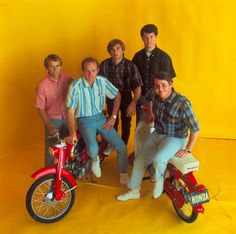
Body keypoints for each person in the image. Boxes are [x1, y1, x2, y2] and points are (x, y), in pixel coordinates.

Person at [117, 71, 200, 201]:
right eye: (157, 86)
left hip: (175, 137)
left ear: (171, 84)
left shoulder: (182, 103)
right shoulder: (154, 93)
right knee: (139, 160)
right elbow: (149, 98)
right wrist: (150, 111)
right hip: (158, 133)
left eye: (164, 85)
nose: (160, 89)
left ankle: (159, 181)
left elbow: (195, 129)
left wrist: (187, 149)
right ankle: (134, 191)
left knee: (159, 159)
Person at [66, 57, 129, 185]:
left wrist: (113, 117)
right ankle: (95, 160)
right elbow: (70, 111)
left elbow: (117, 95)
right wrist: (72, 132)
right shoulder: (75, 86)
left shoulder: (102, 81)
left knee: (121, 146)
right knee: (93, 148)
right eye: (87, 70)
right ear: (82, 70)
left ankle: (124, 173)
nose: (90, 74)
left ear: (98, 70)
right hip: (85, 121)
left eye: (93, 70)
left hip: (101, 118)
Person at [99, 39, 143, 155]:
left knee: (126, 122)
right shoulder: (104, 65)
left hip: (127, 96)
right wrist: (101, 102)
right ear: (109, 52)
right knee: (112, 121)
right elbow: (98, 85)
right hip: (110, 97)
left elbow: (138, 87)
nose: (115, 52)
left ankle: (122, 147)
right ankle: (113, 143)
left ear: (123, 50)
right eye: (112, 50)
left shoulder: (131, 66)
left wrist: (133, 103)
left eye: (118, 49)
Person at [132, 24, 176, 124]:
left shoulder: (164, 57)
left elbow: (169, 82)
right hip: (142, 98)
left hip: (159, 99)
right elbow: (133, 80)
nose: (149, 40)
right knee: (141, 127)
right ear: (142, 38)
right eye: (146, 37)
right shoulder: (137, 57)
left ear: (156, 37)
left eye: (151, 36)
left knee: (159, 127)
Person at [35, 54, 73, 166]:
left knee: (69, 146)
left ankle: (66, 173)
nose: (55, 69)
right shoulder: (41, 86)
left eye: (57, 65)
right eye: (51, 66)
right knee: (51, 149)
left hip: (68, 117)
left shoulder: (68, 78)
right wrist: (49, 125)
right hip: (53, 120)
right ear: (46, 68)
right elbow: (40, 108)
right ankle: (50, 178)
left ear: (61, 66)